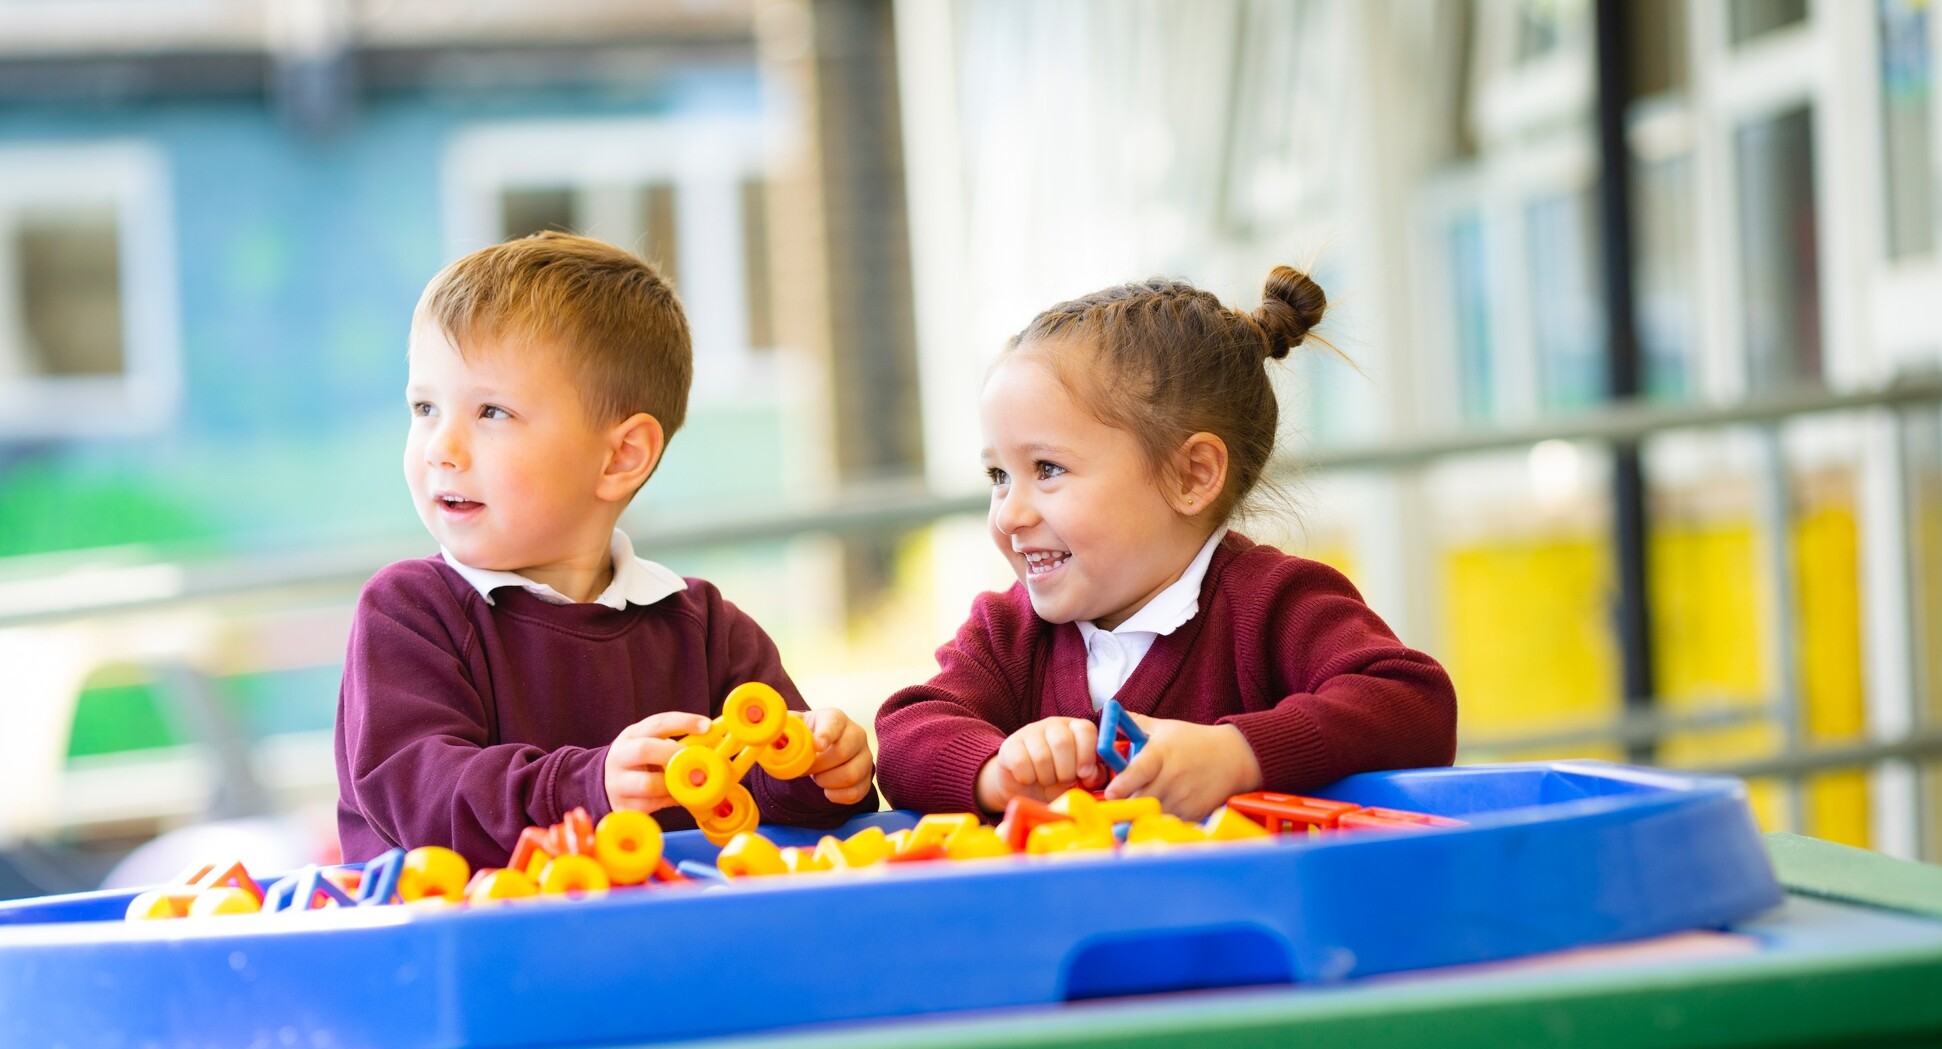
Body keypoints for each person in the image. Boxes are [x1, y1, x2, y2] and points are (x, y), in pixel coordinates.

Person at [336, 232, 874, 868]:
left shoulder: (704, 630)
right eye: (425, 407)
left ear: (621, 456)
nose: (440, 446)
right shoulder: (409, 613)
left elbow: (772, 805)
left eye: (492, 412)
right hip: (468, 954)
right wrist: (587, 790)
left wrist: (819, 772)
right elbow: (423, 798)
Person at [875, 267, 1455, 820]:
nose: (1010, 514)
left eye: (1047, 468)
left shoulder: (1273, 603)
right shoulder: (1009, 631)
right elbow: (905, 735)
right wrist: (996, 771)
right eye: (998, 476)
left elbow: (1414, 704)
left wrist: (1237, 754)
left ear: (1192, 477)